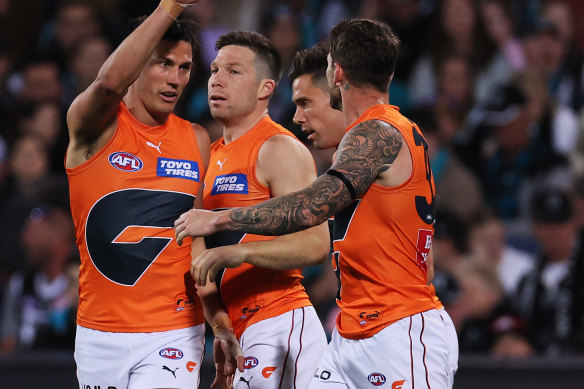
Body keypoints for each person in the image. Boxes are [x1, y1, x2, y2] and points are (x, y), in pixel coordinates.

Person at [176, 19, 452, 388]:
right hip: (353, 332)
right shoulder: (390, 133)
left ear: (336, 71)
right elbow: (426, 266)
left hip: (399, 331)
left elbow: (311, 207)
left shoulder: (375, 131)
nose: (298, 115)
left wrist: (221, 220)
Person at [65, 1, 241, 388]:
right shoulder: (94, 128)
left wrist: (218, 320)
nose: (175, 79)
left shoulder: (195, 140)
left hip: (173, 331)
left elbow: (193, 241)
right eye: (163, 63)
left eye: (184, 67)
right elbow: (109, 84)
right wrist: (171, 7)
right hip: (99, 333)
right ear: (136, 62)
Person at [192, 30, 330, 388]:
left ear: (265, 89)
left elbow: (316, 244)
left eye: (234, 71)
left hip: (280, 321)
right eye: (214, 69)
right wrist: (220, 326)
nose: (217, 80)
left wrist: (236, 254)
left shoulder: (279, 148)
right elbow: (200, 262)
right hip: (240, 331)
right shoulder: (211, 156)